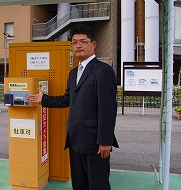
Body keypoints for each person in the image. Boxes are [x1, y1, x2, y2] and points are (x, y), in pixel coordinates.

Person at [27, 23, 119, 190]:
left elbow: (108, 109)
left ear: (93, 44)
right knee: (79, 184)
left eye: (83, 41)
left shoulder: (103, 71)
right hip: (75, 139)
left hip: (95, 143)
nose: (78, 45)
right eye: (75, 42)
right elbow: (67, 99)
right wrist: (44, 99)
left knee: (98, 185)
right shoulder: (74, 73)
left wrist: (105, 141)